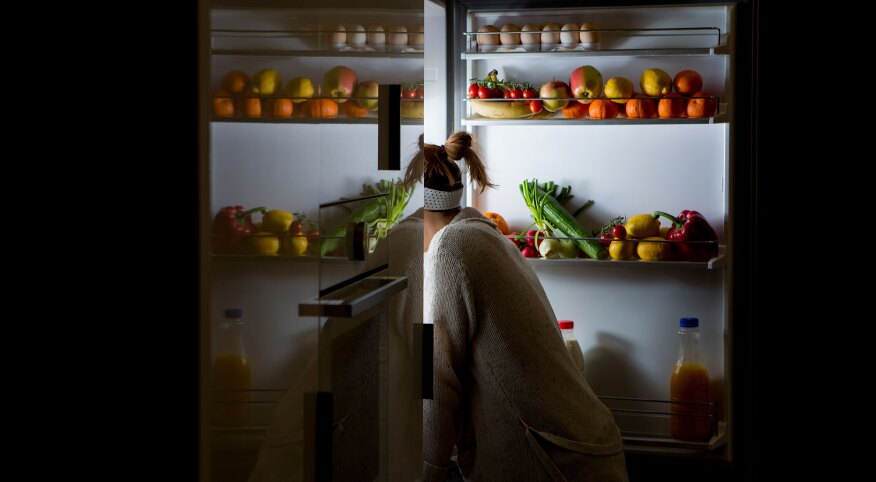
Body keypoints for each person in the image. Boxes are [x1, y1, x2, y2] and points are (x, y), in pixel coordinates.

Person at [412, 132, 629, 482]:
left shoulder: (448, 249)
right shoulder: (482, 233)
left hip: (551, 461)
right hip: (583, 449)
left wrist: (424, 472)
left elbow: (436, 383)